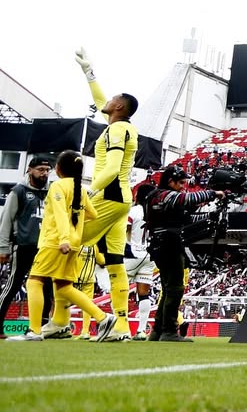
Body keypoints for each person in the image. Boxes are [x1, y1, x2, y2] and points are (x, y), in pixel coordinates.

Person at [6, 151, 118, 342]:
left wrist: (65, 238)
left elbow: (59, 213)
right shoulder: (80, 190)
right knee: (64, 286)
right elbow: (93, 214)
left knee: (33, 281)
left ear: (58, 169)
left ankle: (34, 331)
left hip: (56, 242)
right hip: (74, 245)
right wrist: (75, 229)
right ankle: (104, 318)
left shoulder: (57, 186)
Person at [66, 48, 138, 341]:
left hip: (108, 196)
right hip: (121, 200)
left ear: (119, 106)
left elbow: (109, 168)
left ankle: (59, 320)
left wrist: (85, 193)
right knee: (115, 261)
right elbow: (99, 99)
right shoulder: (122, 125)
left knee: (65, 245)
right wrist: (88, 72)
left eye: (112, 100)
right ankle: (121, 326)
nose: (105, 102)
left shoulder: (116, 130)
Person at [144, 166, 222, 342]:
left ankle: (158, 330)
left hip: (161, 245)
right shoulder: (165, 195)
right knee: (176, 288)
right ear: (170, 182)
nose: (183, 186)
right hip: (169, 245)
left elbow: (186, 219)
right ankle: (169, 331)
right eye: (180, 183)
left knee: (168, 289)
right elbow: (186, 199)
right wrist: (213, 194)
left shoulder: (159, 198)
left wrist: (211, 216)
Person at [0, 157, 54, 338]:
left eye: (47, 170)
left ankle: (42, 327)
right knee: (12, 286)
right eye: (40, 169)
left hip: (45, 248)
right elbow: (5, 220)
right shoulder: (19, 191)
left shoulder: (52, 192)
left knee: (47, 288)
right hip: (23, 245)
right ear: (30, 170)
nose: (44, 173)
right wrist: (3, 248)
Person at [127, 184, 156, 339]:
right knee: (144, 293)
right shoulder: (156, 212)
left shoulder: (134, 211)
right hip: (149, 255)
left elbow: (126, 229)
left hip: (132, 253)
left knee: (120, 290)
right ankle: (141, 330)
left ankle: (121, 327)